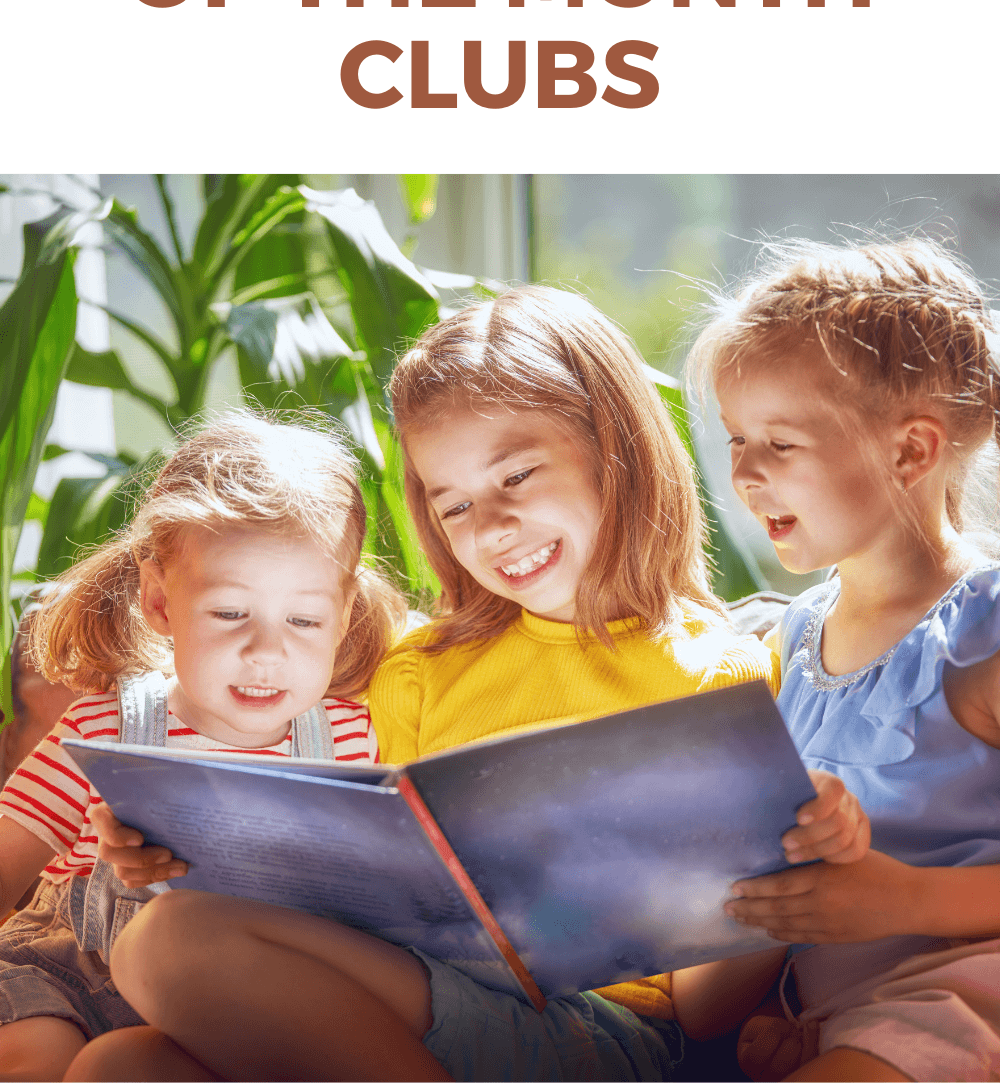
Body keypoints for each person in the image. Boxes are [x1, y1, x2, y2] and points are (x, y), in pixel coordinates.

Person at [69, 287, 864, 1083]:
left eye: (516, 475)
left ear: (615, 448)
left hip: (603, 1031)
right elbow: (343, 885)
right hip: (417, 994)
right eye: (453, 505)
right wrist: (174, 851)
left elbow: (704, 1010)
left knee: (170, 942)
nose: (489, 526)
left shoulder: (714, 677)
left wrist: (785, 867)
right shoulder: (418, 671)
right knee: (116, 1065)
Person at [672, 238, 1000, 1083]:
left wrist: (908, 901)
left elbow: (883, 909)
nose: (742, 473)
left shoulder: (985, 630)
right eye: (738, 438)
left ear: (910, 452)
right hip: (844, 1018)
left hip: (965, 1002)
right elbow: (703, 1004)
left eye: (780, 444)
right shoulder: (796, 637)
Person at [0, 411, 404, 1083]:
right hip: (72, 983)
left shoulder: (351, 740)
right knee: (36, 1059)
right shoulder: (100, 732)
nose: (266, 651)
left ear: (344, 613)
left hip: (234, 1005)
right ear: (160, 601)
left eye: (304, 619)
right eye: (229, 612)